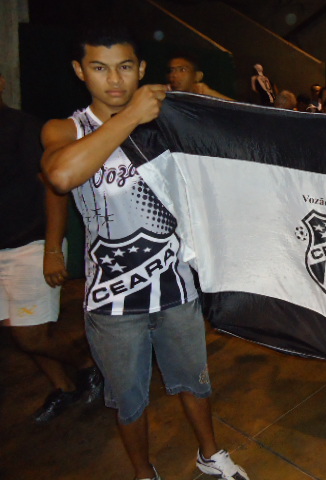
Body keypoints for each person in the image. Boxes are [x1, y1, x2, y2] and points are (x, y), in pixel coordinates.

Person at [40, 27, 249, 480]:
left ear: (142, 69)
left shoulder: (167, 118)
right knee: (128, 398)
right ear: (80, 71)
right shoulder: (67, 128)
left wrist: (201, 92)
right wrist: (131, 116)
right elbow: (60, 176)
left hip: (176, 283)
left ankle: (209, 453)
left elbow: (249, 127)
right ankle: (142, 471)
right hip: (113, 298)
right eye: (99, 67)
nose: (114, 79)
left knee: (194, 381)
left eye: (125, 67)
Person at [0, 72, 102, 423]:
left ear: (1, 82)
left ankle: (88, 365)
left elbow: (53, 188)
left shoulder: (21, 127)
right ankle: (66, 387)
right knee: (18, 332)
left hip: (28, 243)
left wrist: (52, 249)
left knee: (30, 336)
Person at [167, 54, 233, 100]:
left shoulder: (205, 102)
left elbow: (239, 111)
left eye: (182, 70)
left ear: (198, 76)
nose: (174, 75)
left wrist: (210, 93)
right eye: (172, 70)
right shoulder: (164, 99)